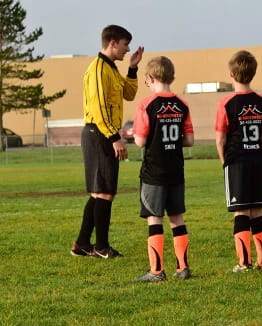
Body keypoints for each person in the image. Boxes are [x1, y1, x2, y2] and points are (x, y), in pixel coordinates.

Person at [71, 25, 144, 258]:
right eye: (125, 44)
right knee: (104, 192)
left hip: (102, 132)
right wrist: (115, 137)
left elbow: (129, 94)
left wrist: (132, 68)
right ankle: (101, 247)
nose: (128, 48)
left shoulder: (111, 69)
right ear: (112, 43)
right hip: (98, 133)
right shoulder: (98, 70)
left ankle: (82, 244)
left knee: (99, 192)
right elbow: (98, 107)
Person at [132, 56, 194, 282]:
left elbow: (139, 141)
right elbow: (189, 140)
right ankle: (183, 267)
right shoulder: (182, 104)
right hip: (176, 170)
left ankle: (156, 271)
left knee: (154, 218)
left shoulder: (146, 105)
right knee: (177, 218)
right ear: (173, 77)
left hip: (154, 172)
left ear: (149, 78)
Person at [215, 50, 262, 272]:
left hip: (236, 161)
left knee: (241, 212)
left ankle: (244, 263)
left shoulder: (226, 102)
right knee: (257, 210)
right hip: (257, 159)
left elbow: (220, 139)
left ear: (231, 73)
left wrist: (225, 163)